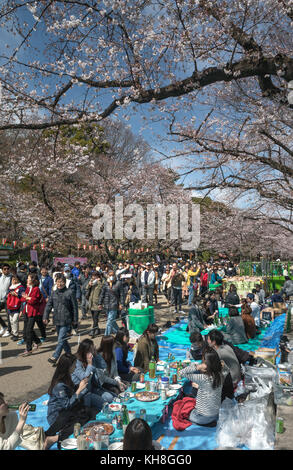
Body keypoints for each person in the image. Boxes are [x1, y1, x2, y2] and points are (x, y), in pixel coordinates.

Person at [44, 353, 96, 450]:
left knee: (90, 413)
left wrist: (81, 385)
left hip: (67, 411)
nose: (76, 367)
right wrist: (79, 390)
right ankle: (53, 438)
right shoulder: (59, 384)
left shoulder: (68, 376)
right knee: (78, 424)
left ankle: (56, 436)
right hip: (57, 416)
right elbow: (66, 405)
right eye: (74, 365)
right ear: (67, 367)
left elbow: (72, 393)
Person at [178, 346, 229, 426]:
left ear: (206, 364)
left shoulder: (203, 378)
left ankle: (204, 424)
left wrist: (197, 367)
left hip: (202, 417)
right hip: (216, 414)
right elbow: (226, 368)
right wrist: (219, 362)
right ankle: (208, 422)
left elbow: (181, 372)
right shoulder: (221, 374)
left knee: (182, 409)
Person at [43, 274, 78, 366]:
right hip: (57, 319)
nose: (59, 284)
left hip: (66, 320)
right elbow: (48, 306)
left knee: (61, 339)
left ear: (65, 282)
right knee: (63, 340)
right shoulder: (54, 293)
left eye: (61, 282)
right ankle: (70, 356)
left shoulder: (70, 292)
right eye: (58, 282)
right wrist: (45, 316)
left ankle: (55, 356)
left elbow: (75, 308)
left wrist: (75, 320)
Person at [71, 339, 117, 408]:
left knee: (110, 397)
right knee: (104, 404)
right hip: (83, 392)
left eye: (93, 349)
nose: (92, 352)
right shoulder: (77, 362)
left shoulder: (93, 358)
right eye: (91, 350)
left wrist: (96, 354)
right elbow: (85, 378)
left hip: (93, 387)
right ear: (85, 351)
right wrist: (90, 364)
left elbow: (103, 366)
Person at [19, 273, 44, 357]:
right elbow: (22, 299)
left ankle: (28, 349)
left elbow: (34, 301)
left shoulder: (36, 289)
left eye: (28, 278)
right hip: (26, 311)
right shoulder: (28, 288)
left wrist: (27, 298)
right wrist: (28, 298)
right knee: (27, 329)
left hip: (33, 312)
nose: (27, 280)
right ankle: (37, 341)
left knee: (28, 330)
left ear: (33, 280)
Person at [98, 270, 125, 336]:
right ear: (107, 276)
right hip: (106, 305)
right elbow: (102, 294)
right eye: (110, 275)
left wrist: (122, 304)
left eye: (112, 275)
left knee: (109, 322)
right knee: (112, 321)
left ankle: (106, 337)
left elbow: (122, 294)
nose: (111, 276)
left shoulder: (118, 283)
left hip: (114, 304)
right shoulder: (105, 284)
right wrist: (100, 303)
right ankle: (119, 334)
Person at [6, 274, 26, 341]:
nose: (14, 281)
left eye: (15, 279)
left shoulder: (21, 287)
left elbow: (24, 297)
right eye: (13, 279)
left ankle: (15, 334)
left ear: (18, 280)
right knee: (11, 321)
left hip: (18, 307)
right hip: (10, 307)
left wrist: (17, 295)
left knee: (15, 320)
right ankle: (14, 332)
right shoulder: (10, 287)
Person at [86, 271, 103, 337]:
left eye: (95, 276)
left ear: (98, 276)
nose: (93, 277)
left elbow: (101, 289)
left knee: (95, 318)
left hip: (97, 303)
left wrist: (97, 281)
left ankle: (93, 331)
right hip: (91, 302)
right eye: (92, 276)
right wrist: (89, 284)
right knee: (94, 318)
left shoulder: (100, 283)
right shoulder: (91, 282)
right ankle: (97, 330)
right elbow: (86, 288)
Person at [0, 264, 12, 337]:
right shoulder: (0, 276)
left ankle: (9, 330)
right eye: (4, 269)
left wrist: (9, 293)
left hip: (8, 300)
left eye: (8, 268)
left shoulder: (11, 277)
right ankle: (4, 326)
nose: (6, 270)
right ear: (2, 270)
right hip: (0, 299)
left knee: (9, 316)